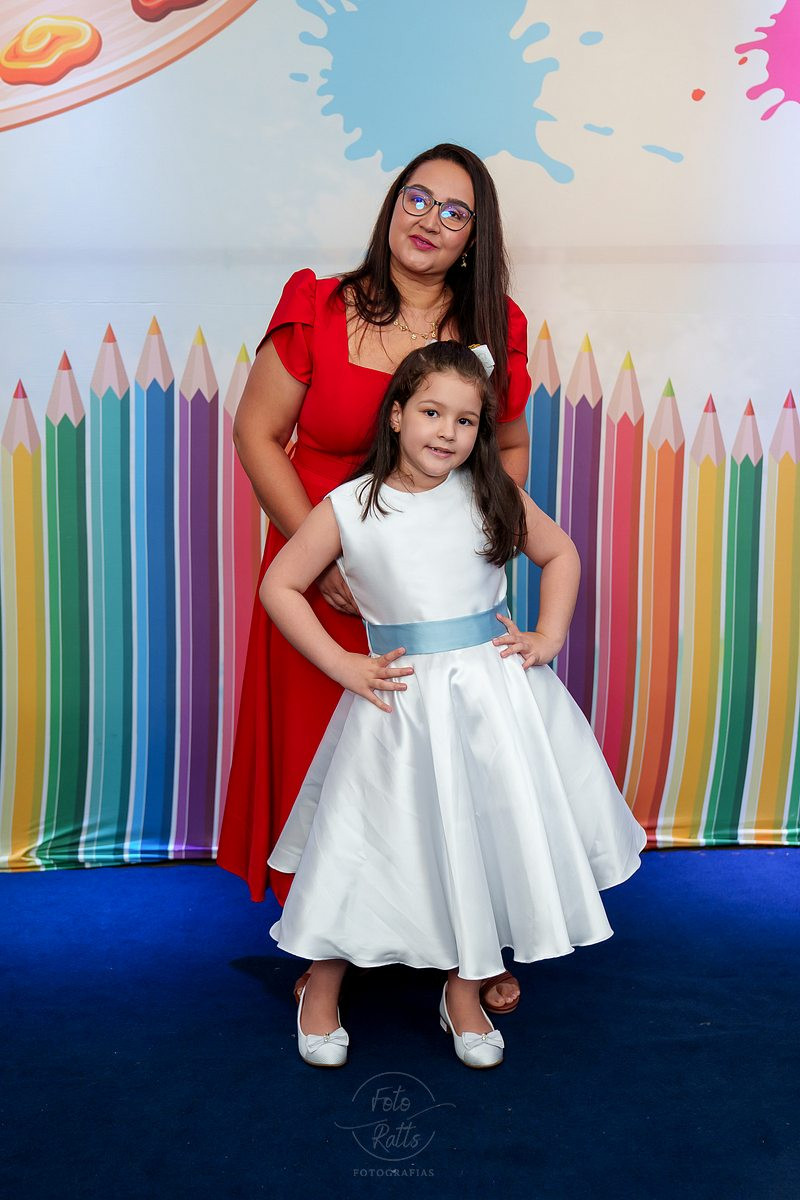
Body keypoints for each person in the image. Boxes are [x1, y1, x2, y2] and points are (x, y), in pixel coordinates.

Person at [261, 341, 648, 1069]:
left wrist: (547, 636)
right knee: (365, 841)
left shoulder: (488, 493)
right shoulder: (351, 505)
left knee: (485, 837)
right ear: (397, 414)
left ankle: (463, 990)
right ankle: (323, 987)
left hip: (492, 700)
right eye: (432, 413)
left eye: (465, 421)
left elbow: (561, 553)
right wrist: (343, 664)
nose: (447, 432)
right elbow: (280, 585)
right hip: (402, 707)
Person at [217, 143, 532, 1015]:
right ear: (393, 206)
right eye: (417, 198)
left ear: (474, 237)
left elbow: (507, 448)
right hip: (321, 566)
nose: (430, 220)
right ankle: (327, 940)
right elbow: (256, 433)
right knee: (332, 767)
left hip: (430, 591)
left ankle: (465, 938)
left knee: (451, 763)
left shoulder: (495, 326)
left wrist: (478, 550)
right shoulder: (317, 306)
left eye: (455, 211)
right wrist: (320, 563)